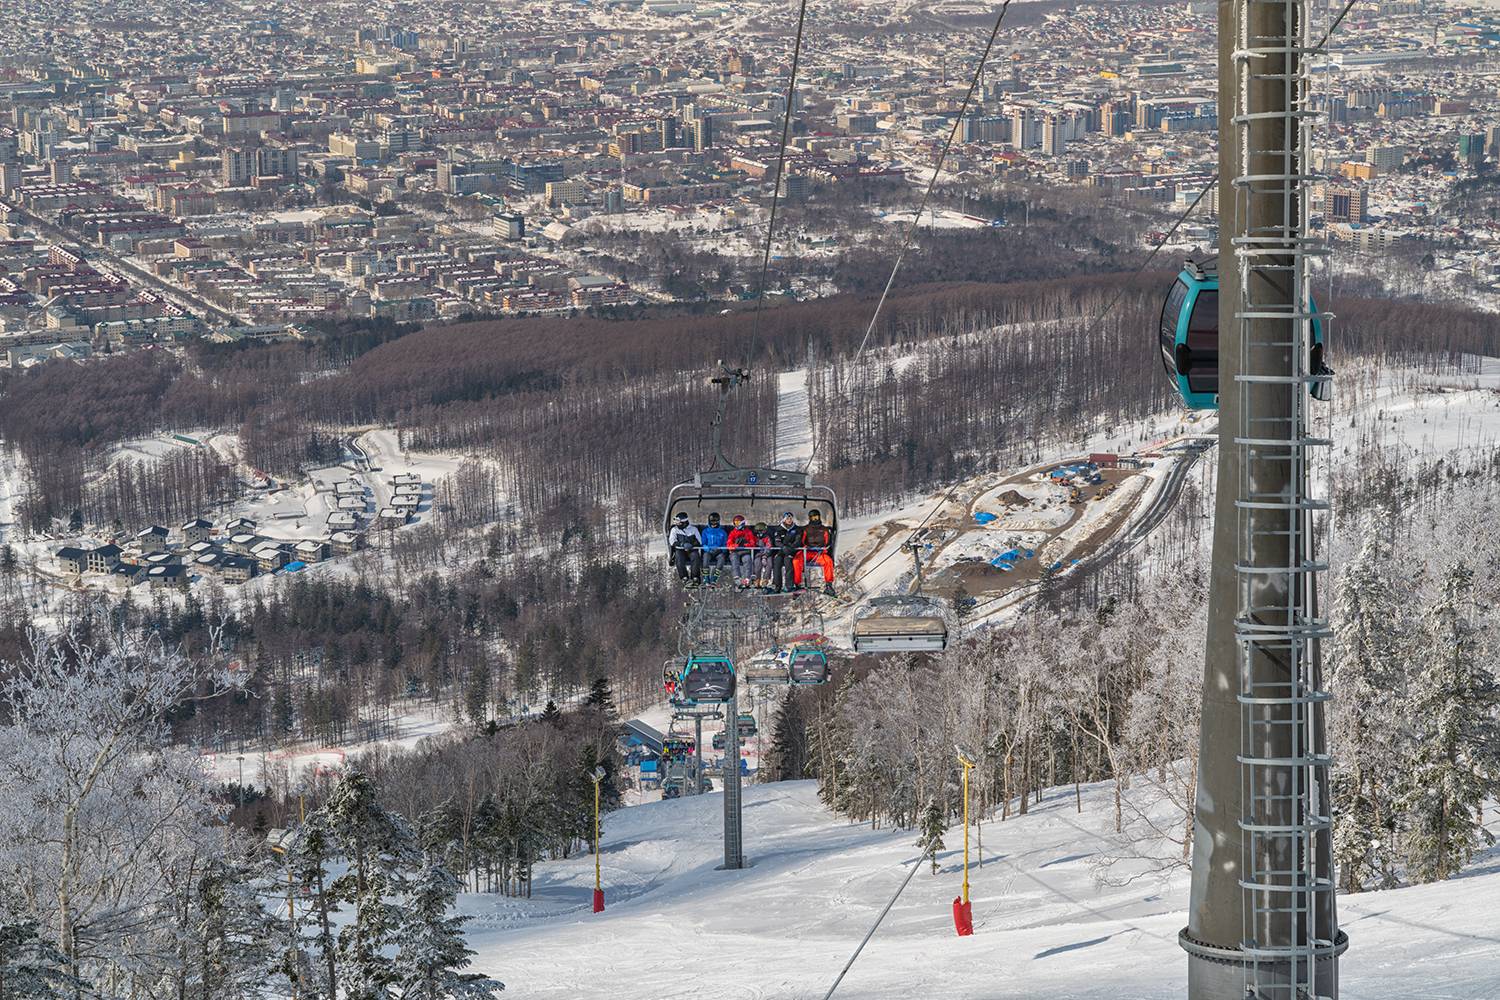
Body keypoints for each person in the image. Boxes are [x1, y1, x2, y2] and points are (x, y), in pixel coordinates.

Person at [793, 508, 836, 596]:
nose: (815, 519)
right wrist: (805, 547)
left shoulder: (824, 530)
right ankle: (797, 585)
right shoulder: (806, 529)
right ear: (810, 518)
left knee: (828, 561)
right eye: (813, 518)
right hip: (807, 552)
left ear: (819, 517)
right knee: (796, 561)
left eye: (816, 517)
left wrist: (823, 548)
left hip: (819, 553)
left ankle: (829, 585)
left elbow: (827, 542)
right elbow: (802, 541)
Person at [768, 511, 800, 594]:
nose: (789, 520)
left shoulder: (796, 529)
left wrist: (790, 548)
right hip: (781, 551)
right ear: (784, 519)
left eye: (790, 518)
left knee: (788, 563)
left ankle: (789, 585)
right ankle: (777, 586)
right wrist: (783, 547)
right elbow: (777, 541)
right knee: (777, 563)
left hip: (791, 551)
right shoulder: (779, 529)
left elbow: (797, 541)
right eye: (787, 518)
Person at [668, 512, 702, 585]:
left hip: (691, 550)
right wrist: (682, 544)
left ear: (684, 522)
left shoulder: (693, 529)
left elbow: (699, 540)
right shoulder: (674, 530)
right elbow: (672, 541)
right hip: (680, 550)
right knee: (679, 557)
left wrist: (692, 544)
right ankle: (684, 577)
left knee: (695, 556)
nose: (677, 524)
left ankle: (695, 577)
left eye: (679, 523)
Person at [726, 514, 757, 588]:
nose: (736, 524)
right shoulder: (733, 532)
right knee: (734, 560)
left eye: (738, 522)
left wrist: (745, 545)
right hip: (735, 551)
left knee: (747, 559)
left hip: (745, 551)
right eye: (735, 523)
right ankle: (737, 577)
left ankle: (747, 578)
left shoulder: (748, 532)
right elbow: (729, 544)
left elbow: (753, 543)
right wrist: (735, 546)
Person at [700, 511, 729, 584]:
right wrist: (708, 549)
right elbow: (703, 543)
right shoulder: (705, 531)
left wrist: (721, 550)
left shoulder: (722, 532)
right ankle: (706, 577)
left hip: (719, 551)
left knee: (721, 558)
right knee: (705, 557)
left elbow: (725, 544)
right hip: (708, 551)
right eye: (712, 522)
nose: (713, 524)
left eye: (715, 522)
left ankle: (714, 578)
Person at [751, 522, 774, 589]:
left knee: (769, 564)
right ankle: (757, 579)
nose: (760, 533)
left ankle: (765, 579)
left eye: (762, 531)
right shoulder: (754, 538)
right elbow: (753, 545)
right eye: (759, 531)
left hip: (767, 554)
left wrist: (765, 555)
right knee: (757, 564)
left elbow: (769, 546)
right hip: (758, 554)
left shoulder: (767, 538)